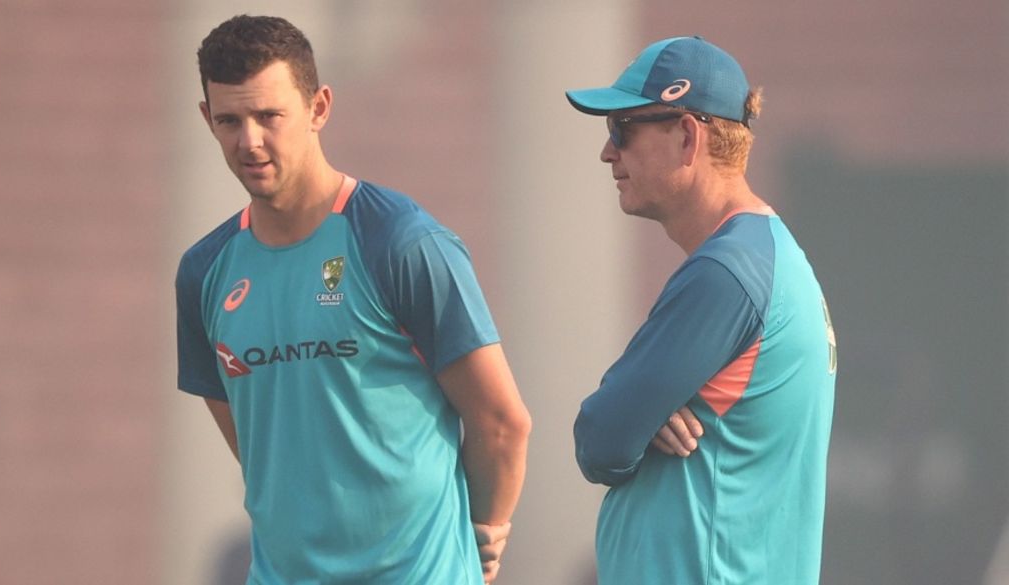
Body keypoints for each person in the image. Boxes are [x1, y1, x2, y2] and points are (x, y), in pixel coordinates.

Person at [175, 15, 531, 584]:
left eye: (269, 116)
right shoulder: (203, 272)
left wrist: (481, 537)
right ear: (206, 120)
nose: (250, 141)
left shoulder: (401, 242)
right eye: (229, 120)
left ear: (318, 108)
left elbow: (500, 422)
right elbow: (258, 448)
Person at [566, 36, 837, 584]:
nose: (607, 151)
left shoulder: (727, 271)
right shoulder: (764, 256)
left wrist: (638, 415)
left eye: (623, 128)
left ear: (687, 136)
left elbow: (600, 438)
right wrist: (645, 412)